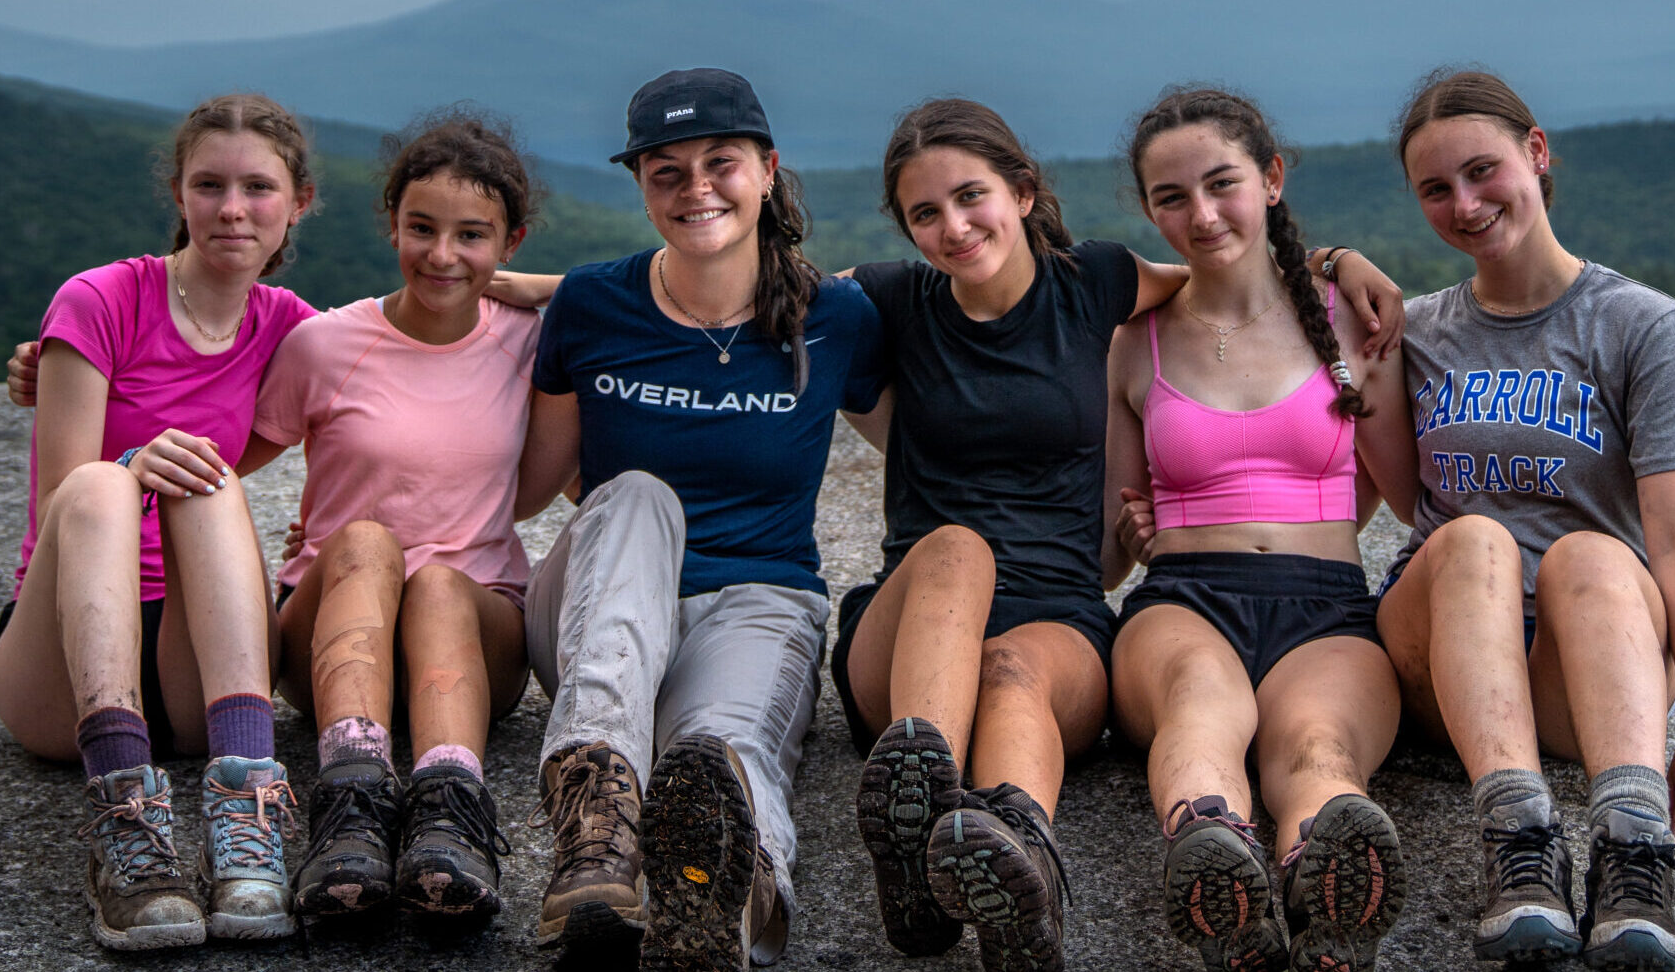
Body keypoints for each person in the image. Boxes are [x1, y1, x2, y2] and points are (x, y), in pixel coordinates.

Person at [832, 98, 1405, 972]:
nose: (952, 226)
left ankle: (1022, 855)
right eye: (924, 213)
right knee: (958, 550)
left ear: (1023, 193)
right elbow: (742, 289)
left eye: (970, 195)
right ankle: (926, 826)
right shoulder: (889, 301)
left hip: (1059, 619)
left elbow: (1220, 267)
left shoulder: (1098, 286)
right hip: (916, 628)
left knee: (1018, 673)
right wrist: (547, 288)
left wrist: (1330, 258)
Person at [509, 68, 885, 971]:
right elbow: (527, 489)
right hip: (599, 606)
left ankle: (727, 896)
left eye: (721, 162)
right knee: (637, 493)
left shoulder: (834, 317)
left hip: (758, 598)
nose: (696, 188)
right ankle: (596, 823)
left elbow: (925, 444)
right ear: (640, 185)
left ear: (767, 169)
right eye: (666, 171)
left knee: (724, 751)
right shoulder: (593, 304)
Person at [1375, 69, 1675, 972]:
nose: (1464, 204)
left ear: (1537, 153)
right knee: (1475, 537)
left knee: (1596, 554)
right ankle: (1516, 844)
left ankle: (1631, 852)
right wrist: (1336, 264)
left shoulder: (1642, 326)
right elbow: (1242, 275)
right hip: (1443, 662)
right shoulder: (1415, 331)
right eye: (1434, 189)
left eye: (1482, 170)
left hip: (1583, 668)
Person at [0, 93, 319, 950]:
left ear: (298, 203)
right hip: (65, 665)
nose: (233, 209)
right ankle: (125, 819)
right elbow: (67, 496)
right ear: (178, 193)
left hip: (196, 669)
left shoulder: (291, 329)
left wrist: (531, 285)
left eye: (257, 188)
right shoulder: (102, 300)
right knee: (101, 483)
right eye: (209, 185)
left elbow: (415, 350)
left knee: (209, 483)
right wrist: (129, 468)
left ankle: (246, 812)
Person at [1101, 87, 1418, 972]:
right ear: (1149, 210)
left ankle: (1323, 870)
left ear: (1271, 177)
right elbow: (1097, 553)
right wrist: (1128, 533)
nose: (1200, 215)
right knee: (1201, 702)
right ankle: (1213, 855)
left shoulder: (1351, 319)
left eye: (1221, 183)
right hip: (1180, 600)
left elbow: (1408, 495)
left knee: (1318, 745)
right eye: (1171, 198)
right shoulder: (1137, 341)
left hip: (1327, 607)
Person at [241, 111, 574, 926]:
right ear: (391, 221)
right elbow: (223, 453)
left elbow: (648, 296)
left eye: (472, 234)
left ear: (512, 243)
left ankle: (449, 809)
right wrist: (80, 377)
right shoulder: (324, 345)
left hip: (476, 625)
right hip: (330, 625)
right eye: (421, 227)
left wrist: (553, 293)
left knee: (437, 581)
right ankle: (350, 803)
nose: (441, 254)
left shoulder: (532, 342)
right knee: (362, 541)